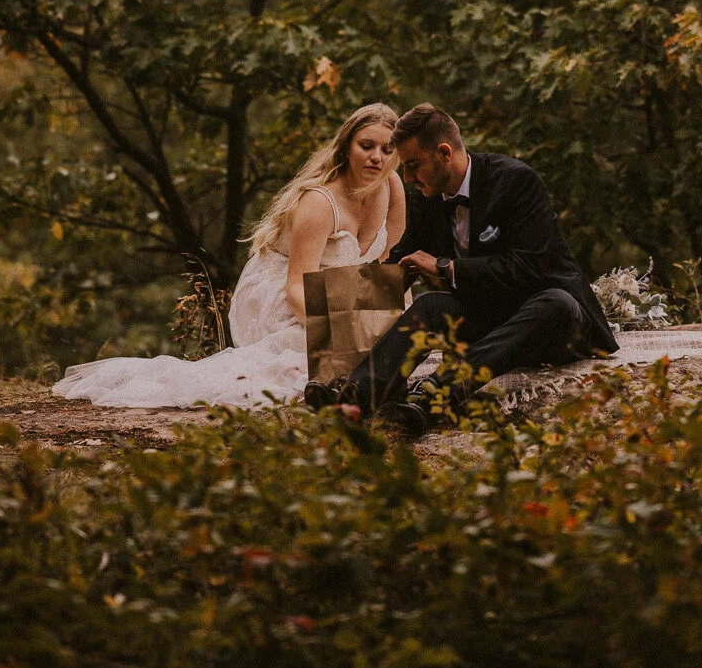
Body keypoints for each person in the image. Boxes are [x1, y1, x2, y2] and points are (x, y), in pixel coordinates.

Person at [52, 103, 404, 410]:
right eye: (366, 146)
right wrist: (341, 325)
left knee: (404, 337)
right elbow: (297, 288)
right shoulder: (320, 202)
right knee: (310, 358)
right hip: (284, 294)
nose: (377, 157)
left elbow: (386, 261)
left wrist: (372, 310)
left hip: (335, 291)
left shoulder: (390, 187)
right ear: (346, 148)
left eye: (387, 150)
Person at [306, 102, 617, 437]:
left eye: (413, 166)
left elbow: (530, 267)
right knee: (430, 306)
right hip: (489, 318)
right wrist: (342, 308)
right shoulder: (427, 196)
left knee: (557, 303)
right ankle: (353, 396)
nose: (407, 178)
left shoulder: (515, 181)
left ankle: (434, 394)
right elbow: (403, 255)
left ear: (443, 153)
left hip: (550, 322)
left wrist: (445, 266)